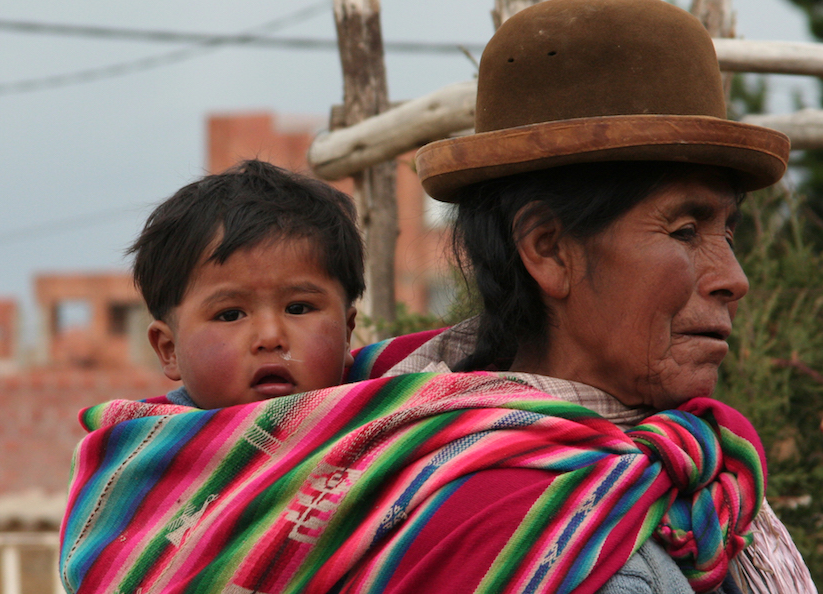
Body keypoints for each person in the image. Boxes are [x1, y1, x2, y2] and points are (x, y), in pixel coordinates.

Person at [57, 0, 817, 592]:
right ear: (547, 249)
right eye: (685, 230)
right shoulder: (536, 534)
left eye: (728, 230)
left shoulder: (683, 482)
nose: (733, 275)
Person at [128, 159, 362, 409]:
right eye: (230, 315)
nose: (271, 337)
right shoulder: (145, 444)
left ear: (346, 334)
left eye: (298, 309)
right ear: (170, 349)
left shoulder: (386, 425)